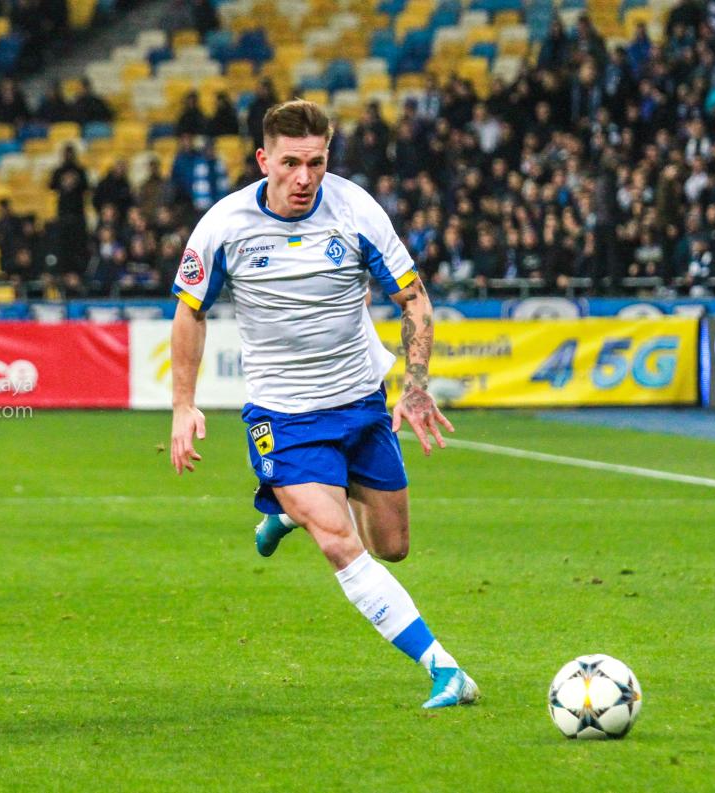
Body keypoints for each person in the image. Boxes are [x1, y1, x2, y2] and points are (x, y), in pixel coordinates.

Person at [168, 100, 477, 709]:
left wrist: (415, 385)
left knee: (392, 546)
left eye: (316, 163)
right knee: (338, 541)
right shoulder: (223, 225)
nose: (304, 177)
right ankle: (445, 670)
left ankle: (287, 513)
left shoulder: (357, 210)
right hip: (283, 418)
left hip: (361, 403)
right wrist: (184, 403)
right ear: (264, 160)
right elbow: (190, 311)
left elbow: (414, 300)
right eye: (291, 163)